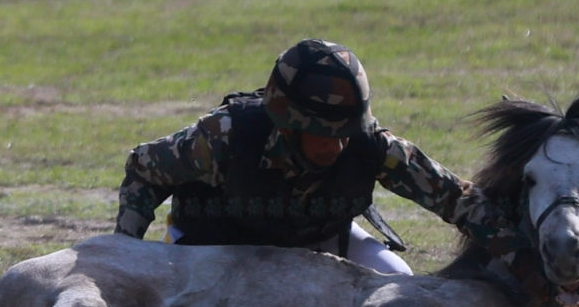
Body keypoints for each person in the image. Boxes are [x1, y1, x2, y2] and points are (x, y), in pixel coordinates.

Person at [114, 38, 501, 275]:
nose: (335, 147)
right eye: (322, 134)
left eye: (345, 134)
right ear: (286, 123)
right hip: (214, 249)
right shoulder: (224, 137)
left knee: (397, 277)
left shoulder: (372, 145)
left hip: (317, 241)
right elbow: (143, 169)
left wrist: (522, 254)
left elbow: (456, 199)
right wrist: (125, 251)